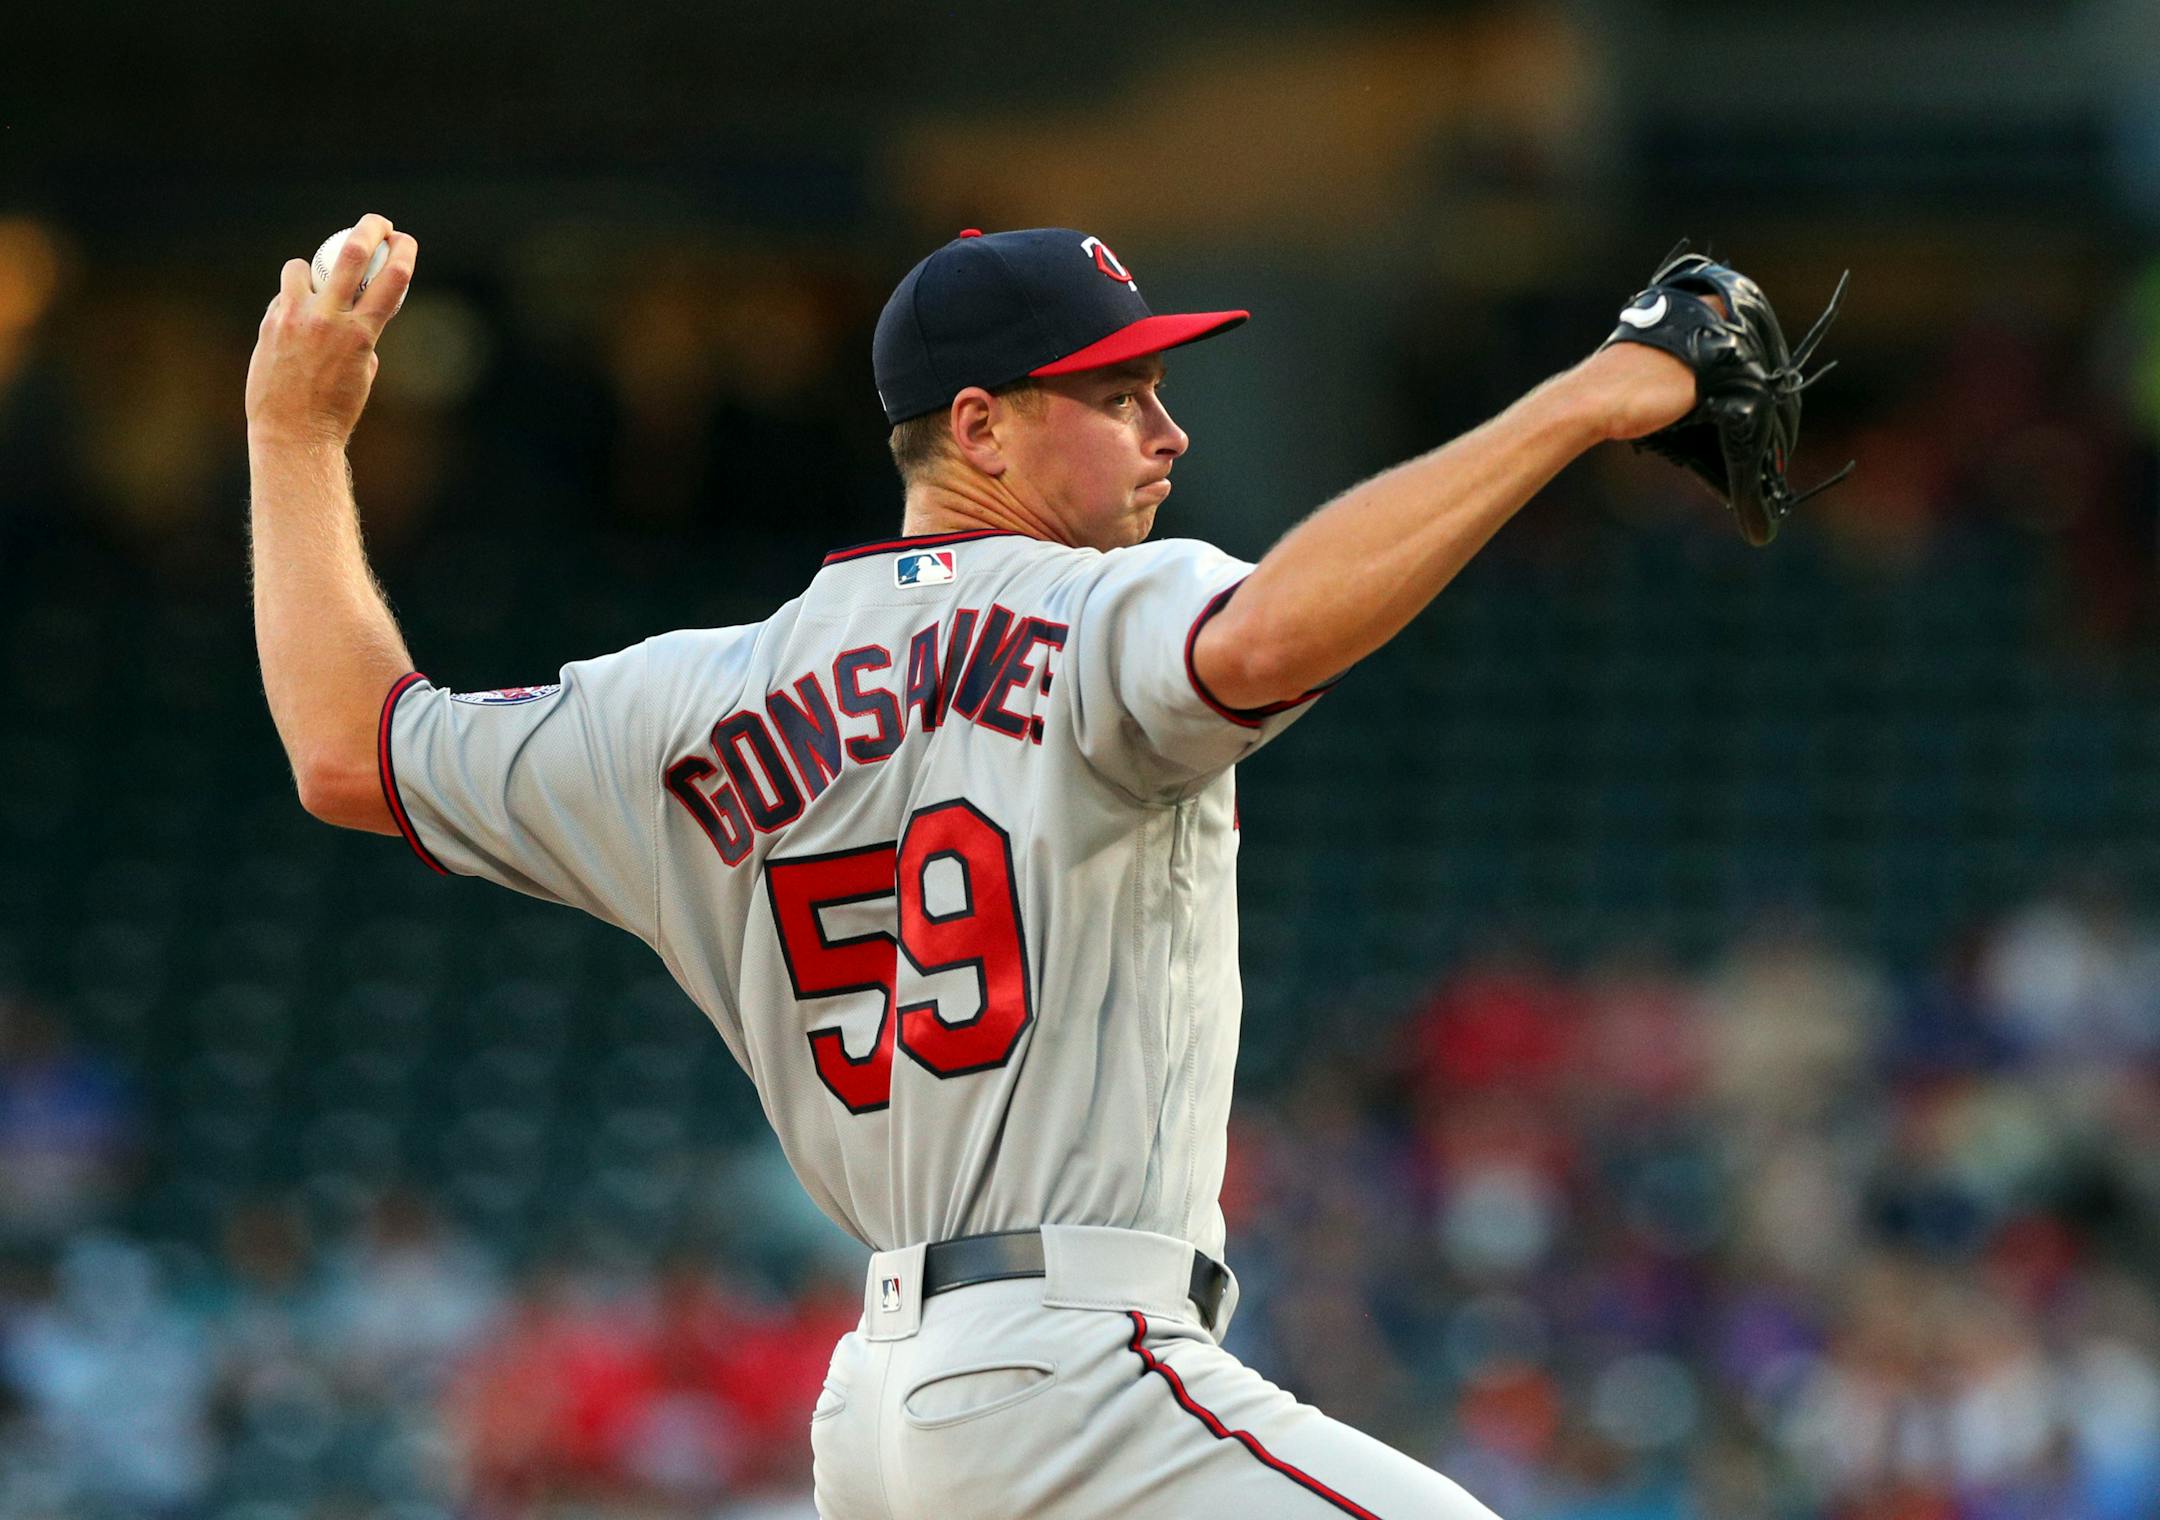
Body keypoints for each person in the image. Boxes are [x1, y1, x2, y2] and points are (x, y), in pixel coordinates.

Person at [246, 215, 1696, 1518]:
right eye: (1120, 395)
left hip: (880, 1411)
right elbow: (1258, 642)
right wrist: (1581, 403)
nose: (1167, 433)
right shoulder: (1096, 604)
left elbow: (350, 752)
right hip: (1075, 1369)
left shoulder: (681, 701)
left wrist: (294, 443)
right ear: (983, 428)